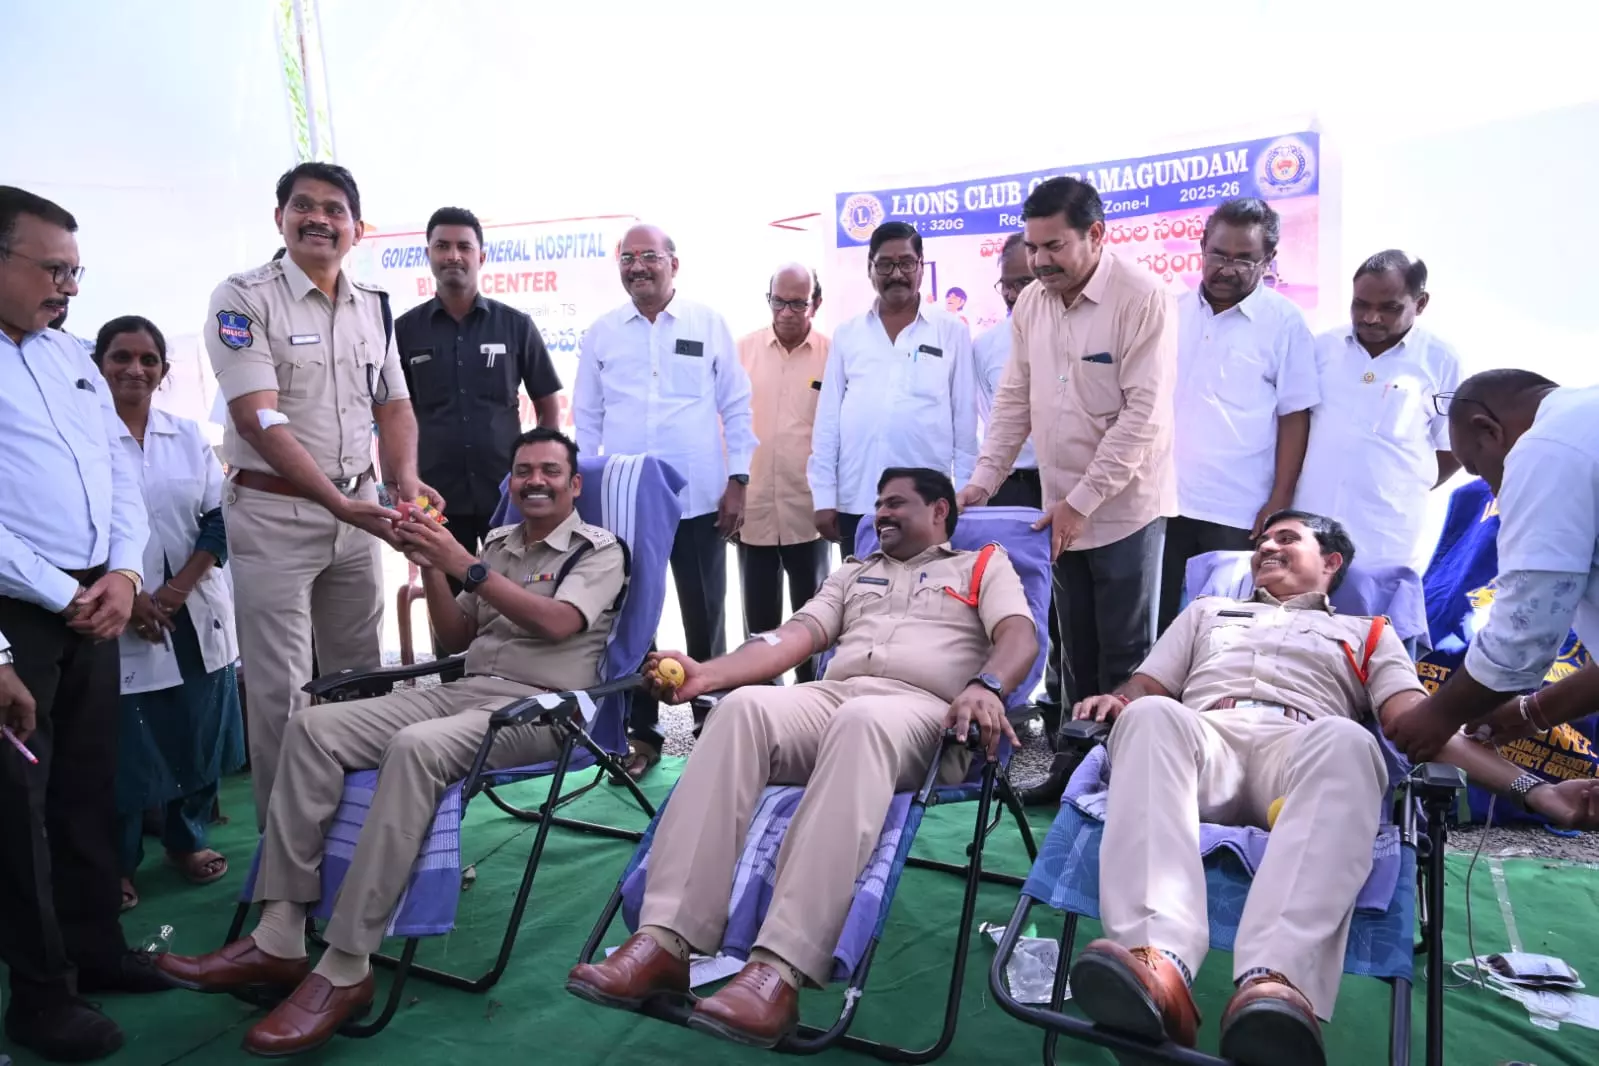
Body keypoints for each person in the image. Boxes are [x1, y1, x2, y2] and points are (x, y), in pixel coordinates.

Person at [1066, 509, 1599, 1066]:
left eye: (1286, 538)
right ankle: (1159, 967)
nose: (1267, 547)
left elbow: (1421, 723)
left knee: (1348, 739)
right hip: (1203, 745)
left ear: (1331, 562)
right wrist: (1122, 699)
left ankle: (1274, 985)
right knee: (1151, 714)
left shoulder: (1370, 632)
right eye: (1263, 540)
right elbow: (1149, 683)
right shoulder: (1205, 612)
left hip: (1298, 759)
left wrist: (1534, 790)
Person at [156, 428, 627, 1056]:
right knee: (312, 726)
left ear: (575, 485)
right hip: (468, 689)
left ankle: (348, 964)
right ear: (510, 482)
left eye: (548, 471)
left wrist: (462, 562)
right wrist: (433, 567)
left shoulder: (599, 552)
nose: (534, 482)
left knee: (417, 747)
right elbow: (453, 636)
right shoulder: (496, 543)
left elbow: (556, 622)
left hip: (540, 710)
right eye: (522, 471)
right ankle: (280, 933)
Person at [565, 467, 1038, 1048]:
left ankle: (779, 968)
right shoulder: (853, 573)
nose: (880, 515)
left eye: (896, 504)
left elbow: (1020, 635)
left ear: (940, 511)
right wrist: (707, 675)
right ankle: (666, 940)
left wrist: (988, 686)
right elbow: (791, 639)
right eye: (878, 505)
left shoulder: (984, 565)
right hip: (831, 699)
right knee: (741, 711)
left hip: (925, 713)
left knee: (861, 724)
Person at [205, 162, 433, 827]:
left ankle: (365, 830)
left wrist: (404, 489)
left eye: (334, 210)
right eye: (302, 206)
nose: (318, 219)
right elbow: (258, 417)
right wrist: (338, 504)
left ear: (356, 229)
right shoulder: (243, 297)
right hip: (274, 514)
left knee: (362, 680)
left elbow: (394, 407)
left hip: (359, 515)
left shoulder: (375, 306)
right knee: (280, 691)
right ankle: (290, 855)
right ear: (279, 217)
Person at [0, 186, 169, 1063]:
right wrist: (58, 589)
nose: (68, 286)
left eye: (75, 269)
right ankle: (38, 998)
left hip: (92, 601)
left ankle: (97, 950)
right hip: (14, 619)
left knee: (87, 789)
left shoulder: (70, 356)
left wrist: (125, 570)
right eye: (51, 267)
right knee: (17, 809)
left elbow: (116, 469)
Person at [957, 177, 1177, 804]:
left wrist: (1081, 503)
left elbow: (1144, 419)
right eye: (1033, 247)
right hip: (1061, 510)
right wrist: (983, 481)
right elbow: (1013, 401)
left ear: (1096, 235)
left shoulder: (1143, 298)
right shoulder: (1032, 304)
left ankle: (1126, 786)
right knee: (1074, 651)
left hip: (1124, 511)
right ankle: (1072, 771)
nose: (1041, 261)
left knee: (1125, 655)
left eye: (1054, 246)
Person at [573, 223, 756, 781]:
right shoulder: (603, 333)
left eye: (649, 256)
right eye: (628, 258)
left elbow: (738, 406)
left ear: (674, 263)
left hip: (699, 496)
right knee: (633, 621)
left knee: (706, 615)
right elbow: (587, 419)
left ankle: (714, 725)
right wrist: (587, 488)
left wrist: (739, 479)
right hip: (628, 503)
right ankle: (641, 733)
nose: (638, 267)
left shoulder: (707, 323)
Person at [93, 316, 245, 913]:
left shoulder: (187, 437)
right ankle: (118, 864)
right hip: (116, 615)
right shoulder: (82, 441)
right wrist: (129, 599)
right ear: (99, 365)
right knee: (126, 750)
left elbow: (219, 519)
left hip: (193, 610)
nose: (135, 370)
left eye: (148, 359)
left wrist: (176, 592)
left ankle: (186, 842)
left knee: (196, 738)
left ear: (163, 369)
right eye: (121, 357)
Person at [1385, 370, 1599, 763]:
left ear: (1487, 430)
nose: (1492, 491)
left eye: (1478, 468)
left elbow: (1525, 629)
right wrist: (1533, 713)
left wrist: (1437, 714)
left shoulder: (1545, 450)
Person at [1160, 197, 1318, 632]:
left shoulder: (1285, 323)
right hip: (1162, 502)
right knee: (1155, 628)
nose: (1227, 269)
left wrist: (1280, 498)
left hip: (1238, 512)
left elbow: (1294, 414)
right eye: (1219, 255)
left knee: (1222, 631)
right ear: (1201, 246)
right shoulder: (1168, 312)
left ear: (1268, 260)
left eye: (1244, 259)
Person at [396, 206, 562, 578]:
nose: (453, 255)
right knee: (446, 604)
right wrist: (399, 481)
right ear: (428, 255)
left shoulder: (515, 326)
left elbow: (547, 405)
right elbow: (392, 416)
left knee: (514, 598)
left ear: (481, 257)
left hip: (506, 495)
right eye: (442, 246)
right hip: (432, 496)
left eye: (464, 247)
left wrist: (536, 472)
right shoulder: (405, 332)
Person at [809, 222, 977, 554]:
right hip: (859, 501)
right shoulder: (848, 334)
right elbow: (828, 422)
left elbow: (965, 425)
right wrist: (824, 497)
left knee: (926, 600)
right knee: (862, 599)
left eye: (906, 263)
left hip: (927, 505)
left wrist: (966, 496)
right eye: (885, 264)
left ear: (920, 265)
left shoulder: (950, 332)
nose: (896, 273)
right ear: (870, 268)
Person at [1295, 250, 1462, 570]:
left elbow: (1452, 448)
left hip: (1385, 540)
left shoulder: (1441, 361)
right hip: (1310, 530)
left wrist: (1396, 489)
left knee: (1373, 621)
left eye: (1389, 308)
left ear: (1421, 303)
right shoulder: (1321, 349)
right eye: (1361, 304)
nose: (1371, 318)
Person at [737, 264, 832, 683]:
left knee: (813, 614)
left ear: (816, 302)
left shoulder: (833, 355)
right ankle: (761, 695)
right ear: (769, 300)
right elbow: (727, 426)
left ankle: (810, 697)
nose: (788, 312)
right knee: (758, 620)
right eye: (780, 301)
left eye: (799, 302)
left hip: (809, 510)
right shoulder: (742, 352)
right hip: (753, 506)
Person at [974, 233, 1039, 508]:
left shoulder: (1080, 336)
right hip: (1011, 488)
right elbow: (991, 416)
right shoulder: (986, 345)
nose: (1011, 295)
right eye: (1005, 285)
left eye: (1023, 283)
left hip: (1072, 486)